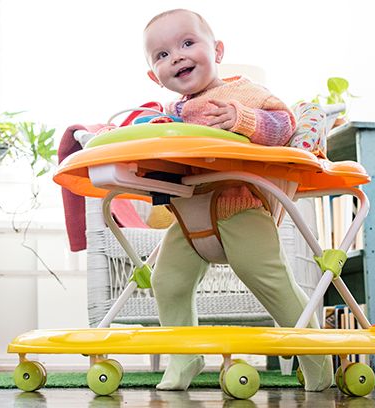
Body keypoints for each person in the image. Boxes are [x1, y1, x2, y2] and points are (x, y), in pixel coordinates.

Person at [141, 8, 334, 392]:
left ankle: (318, 362)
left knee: (271, 282)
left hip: (239, 207)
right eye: (161, 55)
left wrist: (243, 119)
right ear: (154, 76)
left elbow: (284, 126)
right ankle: (185, 357)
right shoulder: (166, 115)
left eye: (187, 43)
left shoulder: (241, 92)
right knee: (167, 281)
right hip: (188, 215)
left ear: (218, 50)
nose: (176, 56)